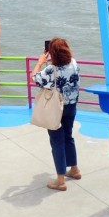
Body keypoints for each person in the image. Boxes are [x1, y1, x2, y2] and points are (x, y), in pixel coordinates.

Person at [31, 37, 81, 190]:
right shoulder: (73, 63)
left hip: (57, 109)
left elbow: (34, 78)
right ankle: (74, 169)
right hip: (71, 106)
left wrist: (40, 61)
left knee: (57, 142)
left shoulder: (50, 70)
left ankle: (60, 180)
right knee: (68, 137)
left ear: (52, 53)